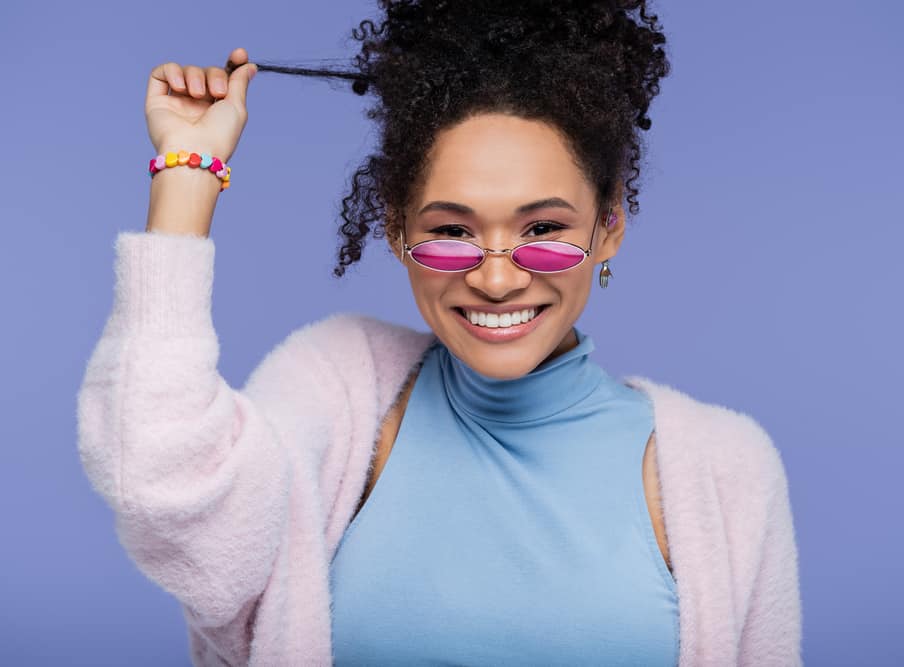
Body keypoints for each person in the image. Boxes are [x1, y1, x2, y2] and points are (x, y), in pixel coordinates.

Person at [77, 2, 802, 665]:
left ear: (608, 224)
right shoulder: (334, 392)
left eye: (543, 230)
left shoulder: (726, 469)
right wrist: (186, 173)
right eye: (451, 231)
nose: (494, 279)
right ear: (395, 228)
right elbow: (160, 485)